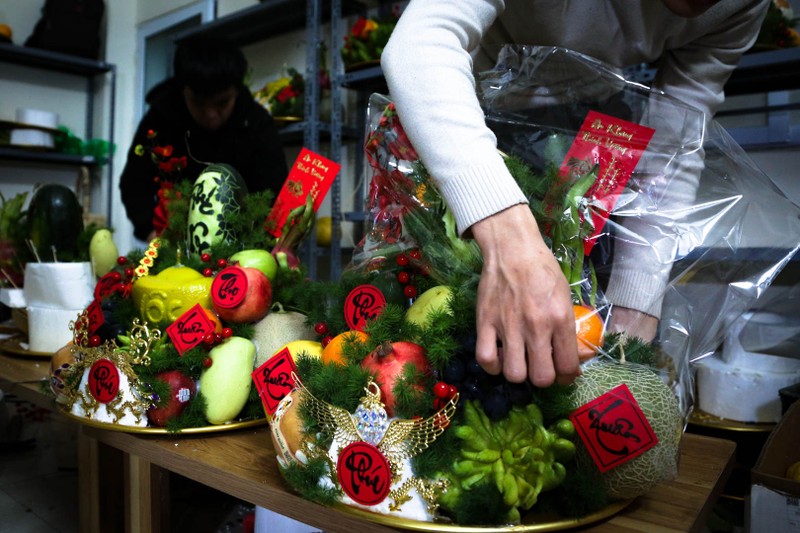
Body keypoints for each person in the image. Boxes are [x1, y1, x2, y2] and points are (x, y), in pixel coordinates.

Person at [381, 0, 770, 388]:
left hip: (599, 142)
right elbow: (420, 45)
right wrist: (509, 241)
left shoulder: (745, 6)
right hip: (466, 126)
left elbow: (676, 142)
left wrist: (635, 309)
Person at [120, 36, 289, 244]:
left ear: (236, 90)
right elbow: (134, 183)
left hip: (241, 247)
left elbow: (274, 193)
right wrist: (150, 231)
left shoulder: (257, 123)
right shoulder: (160, 118)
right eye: (199, 103)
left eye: (222, 103)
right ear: (183, 90)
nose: (210, 114)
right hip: (174, 242)